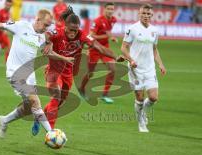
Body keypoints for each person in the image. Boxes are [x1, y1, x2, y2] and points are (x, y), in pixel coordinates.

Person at [0, 8, 74, 138]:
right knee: (35, 102)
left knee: (28, 107)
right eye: (45, 24)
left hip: (29, 75)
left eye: (48, 25)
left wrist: (65, 58)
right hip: (15, 72)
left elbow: (49, 52)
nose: (46, 28)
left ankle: (4, 120)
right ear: (37, 19)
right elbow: (1, 25)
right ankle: (51, 133)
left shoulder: (41, 37)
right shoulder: (21, 26)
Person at [32, 6, 124, 135]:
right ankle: (51, 132)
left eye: (75, 30)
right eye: (70, 30)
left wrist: (115, 56)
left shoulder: (82, 36)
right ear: (65, 26)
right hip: (53, 71)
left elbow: (100, 48)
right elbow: (46, 34)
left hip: (68, 73)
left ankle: (39, 117)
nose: (73, 33)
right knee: (56, 98)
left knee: (59, 102)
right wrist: (48, 42)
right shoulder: (57, 33)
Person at [121, 4, 166, 132]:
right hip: (135, 69)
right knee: (139, 98)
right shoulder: (132, 29)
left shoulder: (155, 31)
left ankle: (143, 113)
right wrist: (131, 60)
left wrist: (160, 64)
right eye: (143, 14)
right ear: (139, 14)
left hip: (150, 68)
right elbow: (123, 48)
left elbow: (154, 49)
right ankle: (141, 123)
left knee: (153, 98)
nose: (146, 16)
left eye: (148, 14)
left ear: (152, 15)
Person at [79, 2, 118, 104]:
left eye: (112, 9)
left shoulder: (114, 20)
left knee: (112, 69)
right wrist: (107, 37)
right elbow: (91, 36)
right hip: (94, 49)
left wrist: (111, 37)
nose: (110, 11)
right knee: (90, 73)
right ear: (104, 9)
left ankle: (105, 95)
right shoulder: (97, 21)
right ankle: (82, 89)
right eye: (108, 9)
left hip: (105, 48)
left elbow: (107, 33)